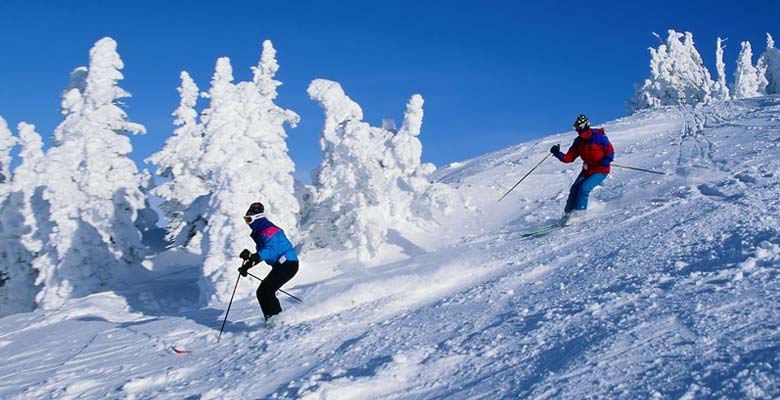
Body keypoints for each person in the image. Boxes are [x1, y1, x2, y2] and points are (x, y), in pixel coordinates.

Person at [238, 202, 299, 325]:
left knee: (266, 291)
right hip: (281, 265)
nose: (248, 222)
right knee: (263, 292)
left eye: (249, 219)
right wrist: (248, 265)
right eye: (246, 219)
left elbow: (270, 250)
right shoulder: (261, 232)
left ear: (257, 217)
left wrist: (253, 257)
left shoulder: (269, 230)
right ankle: (273, 321)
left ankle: (277, 321)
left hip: (288, 264)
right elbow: (262, 253)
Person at [550, 114, 614, 224]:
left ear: (584, 126)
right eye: (575, 128)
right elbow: (569, 158)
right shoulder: (578, 142)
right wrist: (557, 153)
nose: (576, 130)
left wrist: (605, 161)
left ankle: (579, 215)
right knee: (574, 189)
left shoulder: (599, 138)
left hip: (600, 170)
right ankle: (567, 215)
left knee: (583, 189)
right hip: (587, 170)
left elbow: (610, 152)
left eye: (578, 128)